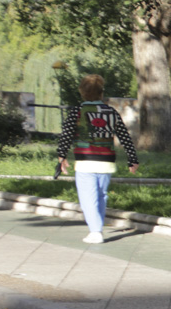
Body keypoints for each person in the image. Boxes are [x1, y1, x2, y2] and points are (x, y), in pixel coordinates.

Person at [56, 74, 138, 244]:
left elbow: (66, 136)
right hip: (106, 162)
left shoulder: (77, 112)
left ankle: (95, 231)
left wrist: (62, 156)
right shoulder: (111, 112)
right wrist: (132, 159)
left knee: (88, 198)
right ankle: (97, 227)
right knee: (101, 196)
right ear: (101, 94)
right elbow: (124, 137)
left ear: (82, 93)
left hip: (86, 161)